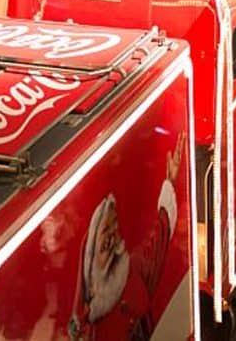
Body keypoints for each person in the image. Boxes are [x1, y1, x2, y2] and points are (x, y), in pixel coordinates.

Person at [68, 132, 185, 339]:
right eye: (105, 243)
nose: (113, 239)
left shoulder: (133, 271)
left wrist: (171, 181)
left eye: (114, 229)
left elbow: (159, 239)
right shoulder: (89, 331)